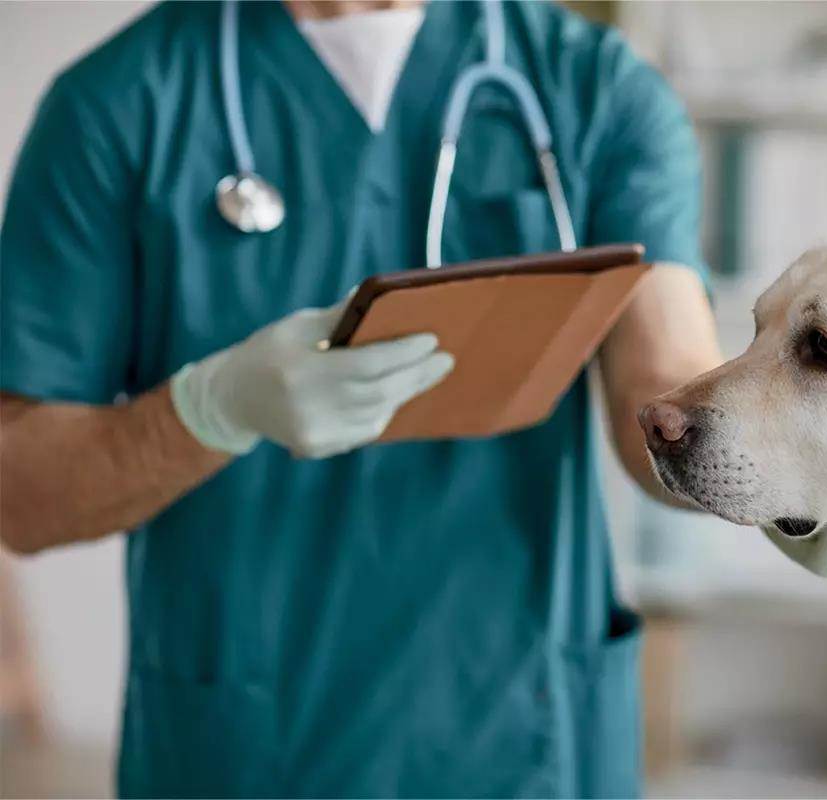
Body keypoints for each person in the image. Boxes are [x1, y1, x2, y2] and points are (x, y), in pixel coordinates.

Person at [0, 1, 722, 796]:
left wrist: (778, 477)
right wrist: (208, 409)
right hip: (248, 751)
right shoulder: (119, 103)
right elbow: (21, 493)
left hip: (524, 742)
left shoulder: (596, 90)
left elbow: (667, 383)